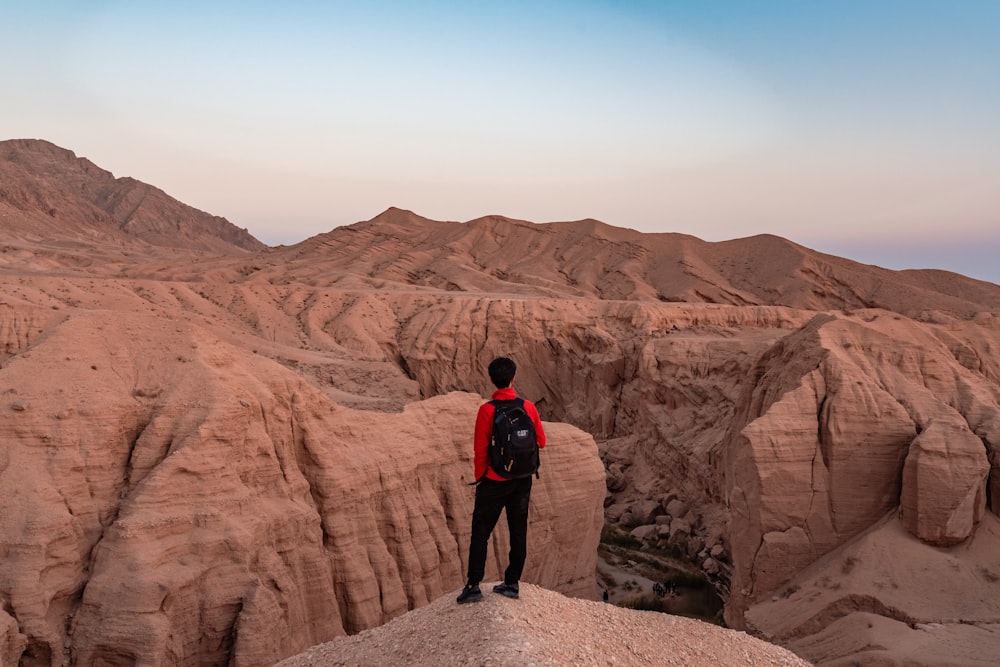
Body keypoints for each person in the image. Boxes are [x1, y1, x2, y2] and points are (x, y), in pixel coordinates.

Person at [457, 357, 546, 604]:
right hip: (522, 480)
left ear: (491, 379)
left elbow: (480, 450)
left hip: (494, 481)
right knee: (518, 532)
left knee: (481, 532)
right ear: (513, 378)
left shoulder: (487, 410)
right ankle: (511, 583)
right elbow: (542, 441)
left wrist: (481, 479)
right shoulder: (528, 407)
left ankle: (473, 585)